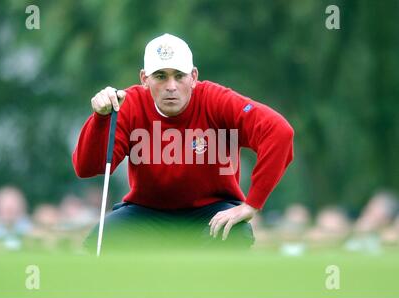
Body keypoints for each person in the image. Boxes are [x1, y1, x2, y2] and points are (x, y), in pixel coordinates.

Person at [73, 33, 294, 252]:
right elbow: (87, 167)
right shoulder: (127, 104)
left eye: (179, 75)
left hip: (211, 211)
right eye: (160, 76)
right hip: (147, 212)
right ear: (144, 79)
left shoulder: (216, 100)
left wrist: (251, 205)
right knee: (101, 241)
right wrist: (100, 119)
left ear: (194, 76)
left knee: (235, 233)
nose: (171, 86)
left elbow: (279, 132)